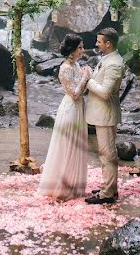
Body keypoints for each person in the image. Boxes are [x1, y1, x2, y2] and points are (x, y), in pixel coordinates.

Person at [36, 34, 92, 200]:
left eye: (82, 47)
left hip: (79, 108)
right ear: (72, 50)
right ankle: (63, 186)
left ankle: (75, 185)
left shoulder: (76, 64)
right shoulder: (65, 68)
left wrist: (87, 78)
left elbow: (82, 90)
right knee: (68, 145)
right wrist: (85, 77)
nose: (83, 50)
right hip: (70, 109)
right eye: (80, 47)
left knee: (77, 145)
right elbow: (74, 94)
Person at [84, 27, 124, 204]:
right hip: (102, 113)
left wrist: (88, 80)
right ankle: (109, 187)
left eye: (99, 41)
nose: (96, 44)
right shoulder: (107, 58)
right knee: (106, 153)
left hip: (105, 114)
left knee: (107, 154)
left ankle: (107, 193)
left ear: (108, 44)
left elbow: (106, 92)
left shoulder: (114, 63)